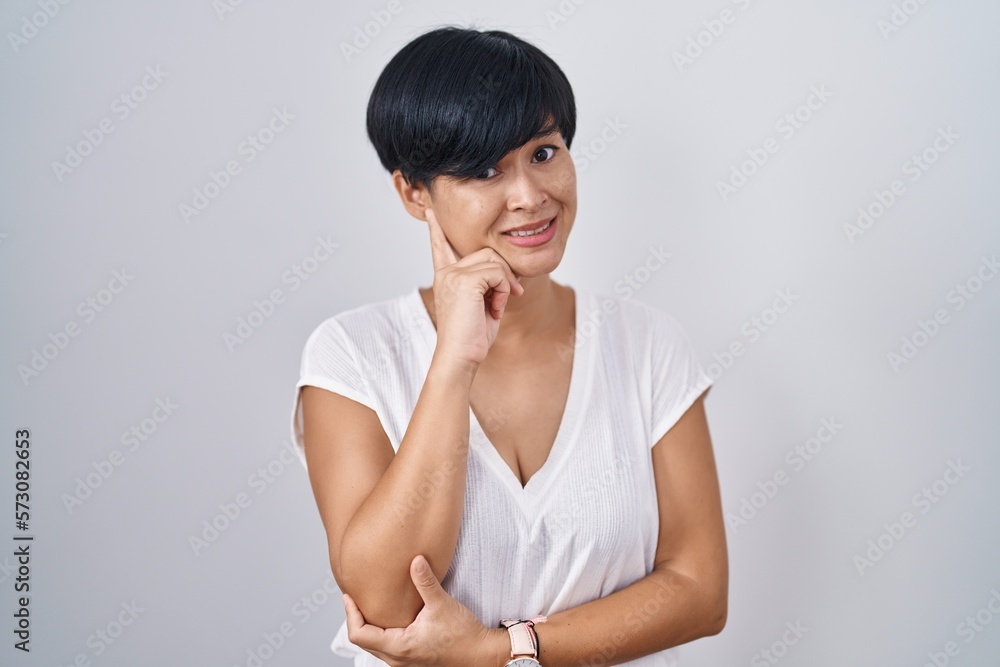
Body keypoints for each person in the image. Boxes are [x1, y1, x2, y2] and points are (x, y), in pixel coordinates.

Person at [289, 25, 728, 667]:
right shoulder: (352, 354)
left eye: (544, 153)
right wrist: (453, 361)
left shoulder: (647, 344)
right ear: (415, 192)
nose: (529, 195)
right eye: (485, 169)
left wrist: (499, 651)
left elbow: (699, 590)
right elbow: (385, 603)